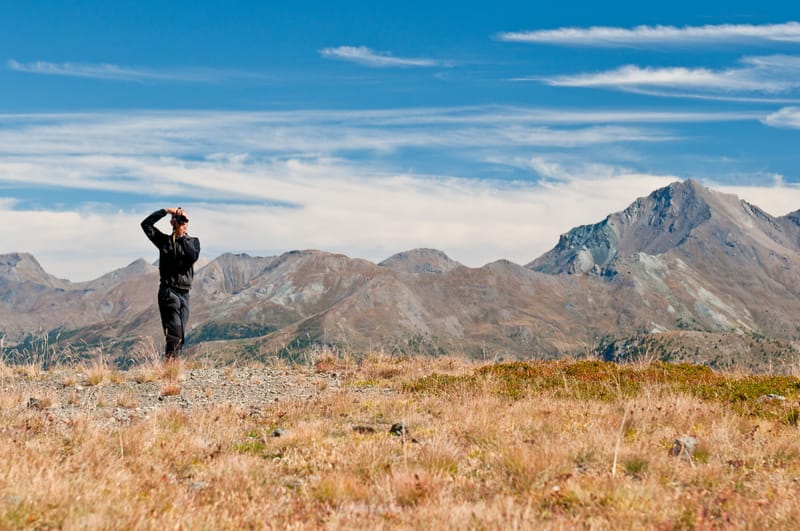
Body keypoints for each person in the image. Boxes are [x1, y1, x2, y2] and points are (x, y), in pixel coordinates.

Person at [141, 207, 201, 359]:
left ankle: (172, 367)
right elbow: (146, 225)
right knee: (175, 333)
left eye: (185, 220)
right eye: (179, 220)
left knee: (179, 335)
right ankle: (170, 369)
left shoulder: (193, 242)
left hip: (184, 294)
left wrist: (181, 237)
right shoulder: (164, 241)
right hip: (169, 292)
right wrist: (166, 211)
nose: (183, 223)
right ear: (172, 222)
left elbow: (192, 256)